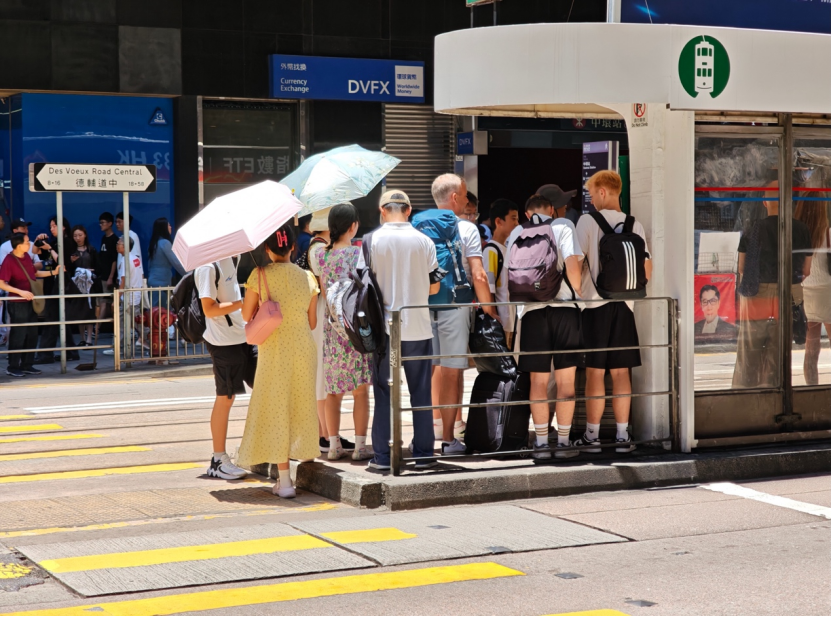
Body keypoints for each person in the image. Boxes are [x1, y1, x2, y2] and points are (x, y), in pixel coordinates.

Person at [359, 190, 442, 471]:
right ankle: (424, 455)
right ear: (408, 210)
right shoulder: (425, 241)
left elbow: (362, 287)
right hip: (418, 327)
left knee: (383, 391)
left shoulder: (370, 241)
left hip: (384, 331)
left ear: (382, 211)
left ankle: (383, 456)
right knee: (421, 392)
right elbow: (434, 287)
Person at [239, 223, 321, 497]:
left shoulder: (259, 275)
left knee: (276, 408)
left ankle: (285, 481)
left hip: (274, 350)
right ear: (293, 247)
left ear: (267, 249)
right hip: (303, 348)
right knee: (301, 403)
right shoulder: (307, 277)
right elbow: (312, 322)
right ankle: (306, 452)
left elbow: (246, 315)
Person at [576, 170, 652, 453]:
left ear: (603, 191)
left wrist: (578, 292)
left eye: (592, 194)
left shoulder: (587, 221)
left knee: (595, 373)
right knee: (621, 373)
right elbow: (647, 270)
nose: (592, 200)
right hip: (626, 307)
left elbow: (576, 262)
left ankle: (592, 437)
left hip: (594, 307)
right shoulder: (635, 224)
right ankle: (622, 437)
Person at [507, 194, 585, 460]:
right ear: (552, 209)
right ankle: (562, 444)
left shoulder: (517, 232)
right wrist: (579, 291)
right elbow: (572, 265)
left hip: (532, 313)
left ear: (527, 214)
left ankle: (540, 444)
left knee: (538, 381)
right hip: (565, 311)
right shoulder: (563, 225)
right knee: (566, 381)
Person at [428, 174, 494, 455]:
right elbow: (478, 274)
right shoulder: (467, 228)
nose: (468, 201)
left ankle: (426, 434)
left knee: (428, 368)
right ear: (454, 197)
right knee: (453, 372)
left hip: (424, 307)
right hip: (456, 307)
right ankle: (448, 439)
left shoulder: (420, 227)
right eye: (466, 195)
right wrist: (490, 310)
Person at [733, 182, 812, 388]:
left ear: (765, 202)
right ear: (789, 202)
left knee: (749, 351)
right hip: (788, 296)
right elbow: (806, 270)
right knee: (778, 356)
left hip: (757, 295)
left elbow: (742, 268)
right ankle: (774, 397)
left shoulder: (753, 229)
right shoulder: (801, 229)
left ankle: (744, 395)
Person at [317, 203, 373, 461]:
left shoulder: (322, 257)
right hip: (355, 330)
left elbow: (324, 292)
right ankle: (360, 447)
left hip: (332, 332)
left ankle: (333, 446)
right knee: (360, 391)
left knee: (333, 392)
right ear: (353, 226)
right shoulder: (358, 254)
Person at [195, 254, 249, 481]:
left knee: (263, 385)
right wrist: (242, 303)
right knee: (226, 397)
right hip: (222, 341)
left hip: (244, 335)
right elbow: (209, 309)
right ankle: (218, 460)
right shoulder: (207, 266)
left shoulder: (232, 258)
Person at [0, 233, 62, 377]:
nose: (30, 244)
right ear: (18, 245)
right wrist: (20, 292)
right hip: (17, 303)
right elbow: (2, 283)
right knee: (19, 335)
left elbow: (35, 273)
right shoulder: (9, 260)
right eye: (27, 242)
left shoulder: (27, 257)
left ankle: (27, 364)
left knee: (32, 334)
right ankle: (13, 366)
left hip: (31, 301)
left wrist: (53, 272)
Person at [306, 207, 336, 452]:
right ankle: (324, 433)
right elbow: (325, 287)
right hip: (322, 311)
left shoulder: (317, 246)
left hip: (320, 310)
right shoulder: (319, 249)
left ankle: (325, 432)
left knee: (323, 371)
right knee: (322, 372)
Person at [34, 216, 79, 363]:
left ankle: (45, 354)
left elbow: (62, 263)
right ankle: (71, 351)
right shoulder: (52, 242)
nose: (51, 229)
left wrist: (50, 248)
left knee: (52, 318)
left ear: (63, 227)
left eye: (54, 226)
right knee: (59, 318)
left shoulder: (68, 242)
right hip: (51, 282)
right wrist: (38, 241)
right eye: (50, 226)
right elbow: (36, 252)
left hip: (61, 283)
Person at [795, 201, 831, 385]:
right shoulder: (828, 233)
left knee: (811, 350)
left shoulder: (797, 234)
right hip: (828, 292)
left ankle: (811, 390)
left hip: (806, 292)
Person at [483, 199, 520, 345]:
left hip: (509, 319)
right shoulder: (491, 251)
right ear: (498, 221)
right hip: (501, 322)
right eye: (513, 218)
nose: (517, 223)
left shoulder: (506, 249)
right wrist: (492, 317)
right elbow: (488, 288)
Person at [68, 225, 98, 347]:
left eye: (80, 235)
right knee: (79, 311)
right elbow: (68, 269)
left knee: (89, 310)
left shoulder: (91, 250)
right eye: (75, 236)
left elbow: (98, 266)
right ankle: (82, 338)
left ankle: (89, 338)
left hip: (89, 284)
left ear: (85, 235)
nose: (78, 238)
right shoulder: (71, 251)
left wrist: (92, 271)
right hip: (76, 284)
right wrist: (71, 262)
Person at [147, 217, 186, 308]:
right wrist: (189, 274)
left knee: (154, 311)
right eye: (168, 225)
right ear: (163, 228)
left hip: (152, 281)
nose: (170, 227)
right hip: (162, 283)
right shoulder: (165, 243)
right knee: (165, 312)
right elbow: (176, 263)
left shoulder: (153, 244)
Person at [116, 236, 144, 360]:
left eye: (119, 243)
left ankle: (119, 347)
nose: (117, 245)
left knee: (125, 323)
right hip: (135, 295)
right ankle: (146, 340)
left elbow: (123, 280)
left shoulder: (125, 260)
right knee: (135, 322)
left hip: (129, 297)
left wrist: (118, 297)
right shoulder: (135, 258)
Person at [96, 212, 119, 343]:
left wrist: (111, 276)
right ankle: (100, 328)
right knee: (104, 303)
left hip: (110, 277)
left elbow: (114, 260)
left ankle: (98, 328)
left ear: (110, 224)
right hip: (103, 275)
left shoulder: (114, 240)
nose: (101, 225)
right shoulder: (104, 238)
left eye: (103, 223)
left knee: (107, 304)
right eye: (100, 223)